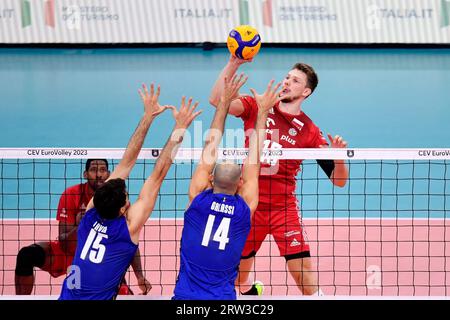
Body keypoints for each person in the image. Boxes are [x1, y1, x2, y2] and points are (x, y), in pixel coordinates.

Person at [209, 56, 349, 296]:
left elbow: (339, 180)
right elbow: (216, 100)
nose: (286, 82)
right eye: (287, 77)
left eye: (294, 81)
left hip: (283, 209)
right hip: (248, 205)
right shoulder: (258, 106)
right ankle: (248, 290)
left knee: (303, 274)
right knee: (236, 277)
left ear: (305, 91)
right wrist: (233, 64)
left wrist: (338, 157)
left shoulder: (310, 132)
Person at [59, 84, 201, 300]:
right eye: (126, 198)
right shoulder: (127, 228)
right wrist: (179, 127)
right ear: (123, 208)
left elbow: (126, 163)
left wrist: (148, 116)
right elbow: (158, 174)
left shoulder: (90, 214)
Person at [172, 74, 279, 300]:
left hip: (185, 298)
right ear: (240, 184)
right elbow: (255, 157)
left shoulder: (198, 199)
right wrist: (263, 112)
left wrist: (223, 103)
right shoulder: (244, 209)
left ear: (210, 180)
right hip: (222, 298)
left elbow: (211, 144)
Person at [15, 158, 150, 295]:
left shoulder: (117, 199)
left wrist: (139, 276)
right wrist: (81, 225)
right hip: (70, 253)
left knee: (125, 294)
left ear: (109, 174)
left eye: (103, 170)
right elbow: (64, 244)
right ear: (85, 174)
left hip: (99, 258)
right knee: (27, 255)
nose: (98, 174)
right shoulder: (71, 194)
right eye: (93, 170)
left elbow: (128, 239)